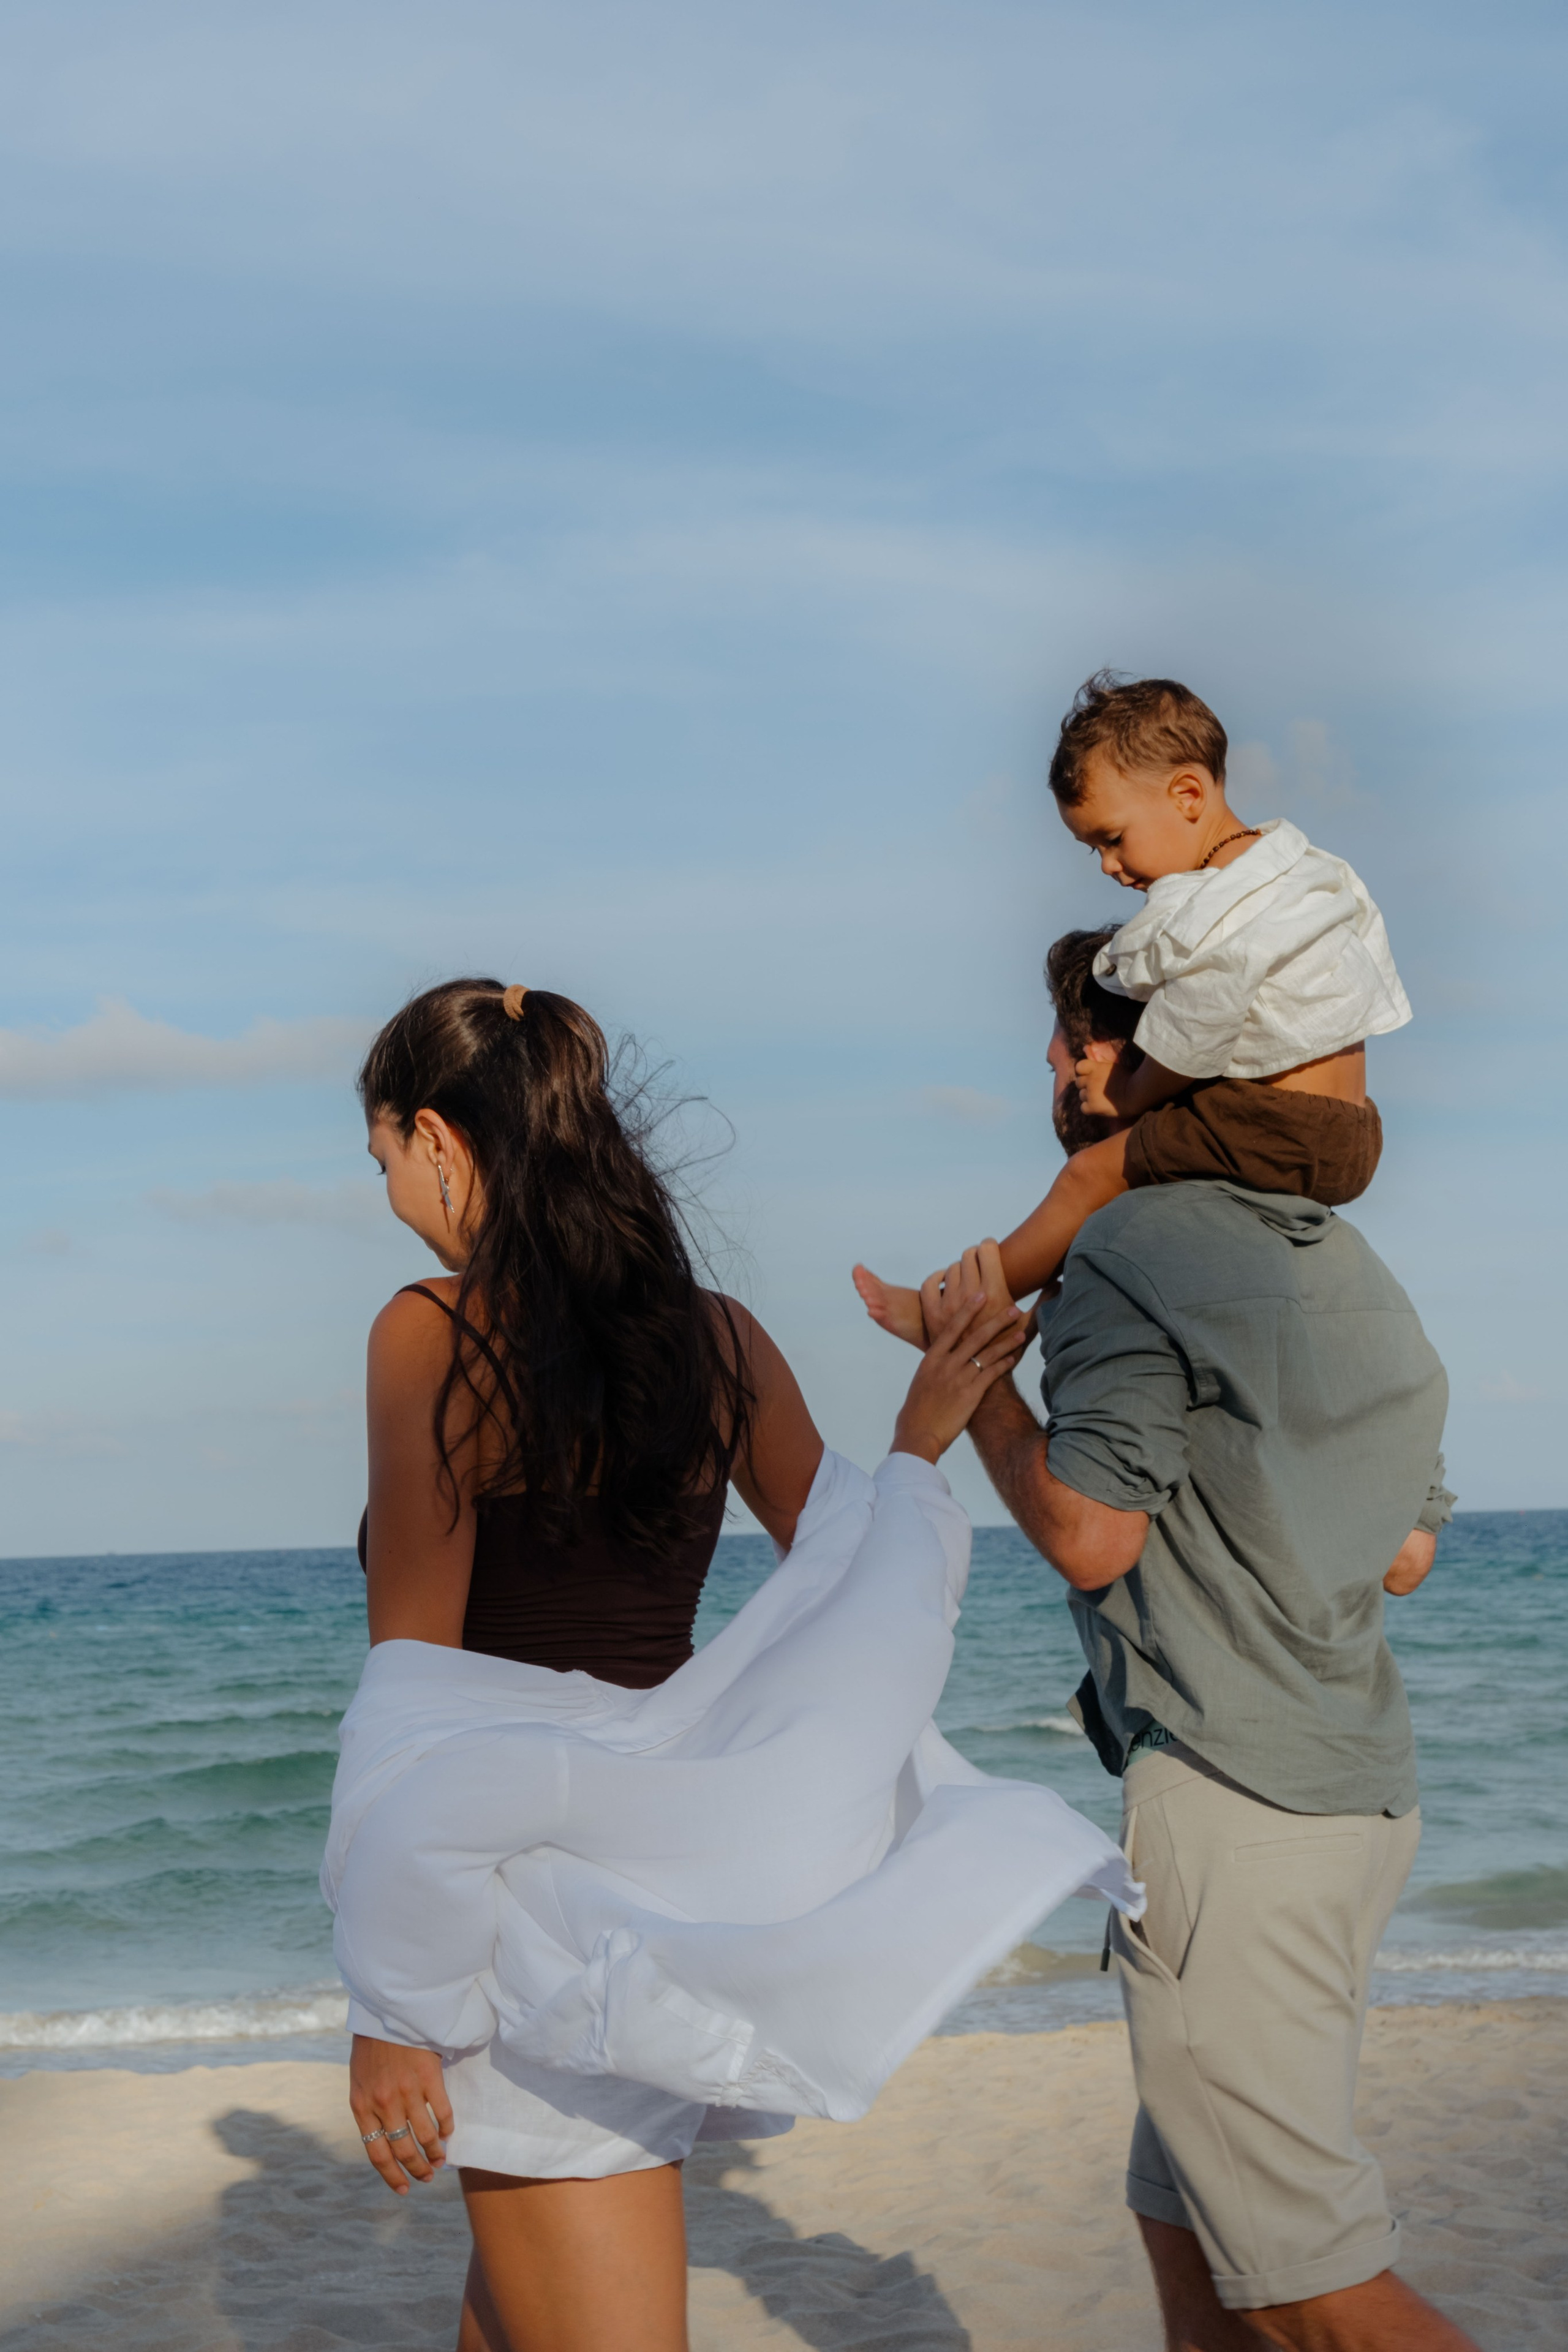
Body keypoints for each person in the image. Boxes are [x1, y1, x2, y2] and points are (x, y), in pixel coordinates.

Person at [329, 976, 1139, 2352]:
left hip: (512, 1926)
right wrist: (916, 1449)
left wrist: (391, 2000)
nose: (393, 1197)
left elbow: (415, 1689)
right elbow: (853, 1575)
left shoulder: (429, 1331)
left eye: (386, 1160)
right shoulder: (715, 1338)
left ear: (441, 1139)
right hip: (651, 1909)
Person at [916, 937, 1477, 2352]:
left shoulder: (1125, 1248)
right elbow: (1405, 1554)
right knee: (1193, 2238)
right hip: (1359, 1801)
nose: (1051, 1063)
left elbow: (1088, 1535)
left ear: (1132, 1060)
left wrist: (975, 1382)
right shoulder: (1342, 1259)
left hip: (1231, 1804)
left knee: (1304, 2285)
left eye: (1067, 1039)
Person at [853, 671, 1410, 1347]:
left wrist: (1130, 1091)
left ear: (1188, 795)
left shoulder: (1208, 909)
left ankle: (953, 1313)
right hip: (1357, 1128)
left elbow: (1193, 1034)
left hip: (1277, 1125)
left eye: (1112, 838)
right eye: (1093, 848)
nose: (1107, 866)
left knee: (1090, 1176)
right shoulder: (1304, 869)